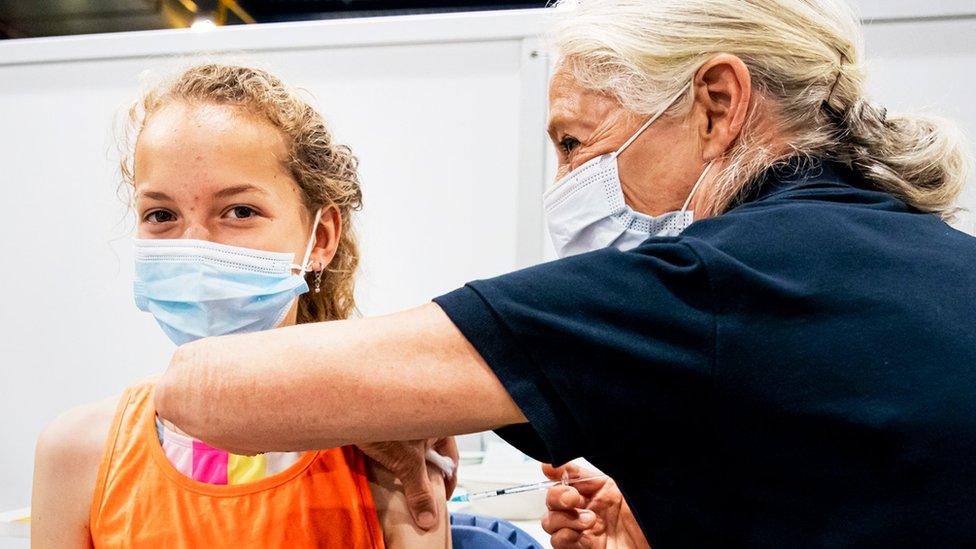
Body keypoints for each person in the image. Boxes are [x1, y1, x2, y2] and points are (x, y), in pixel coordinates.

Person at [156, 0, 976, 547]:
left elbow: (203, 390)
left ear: (717, 104)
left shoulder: (703, 285)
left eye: (574, 142)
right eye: (160, 213)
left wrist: (394, 405)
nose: (562, 186)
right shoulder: (944, 261)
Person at [31, 63, 455, 548]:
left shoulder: (389, 454)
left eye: (239, 211)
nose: (194, 246)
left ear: (321, 237)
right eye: (161, 214)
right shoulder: (78, 454)